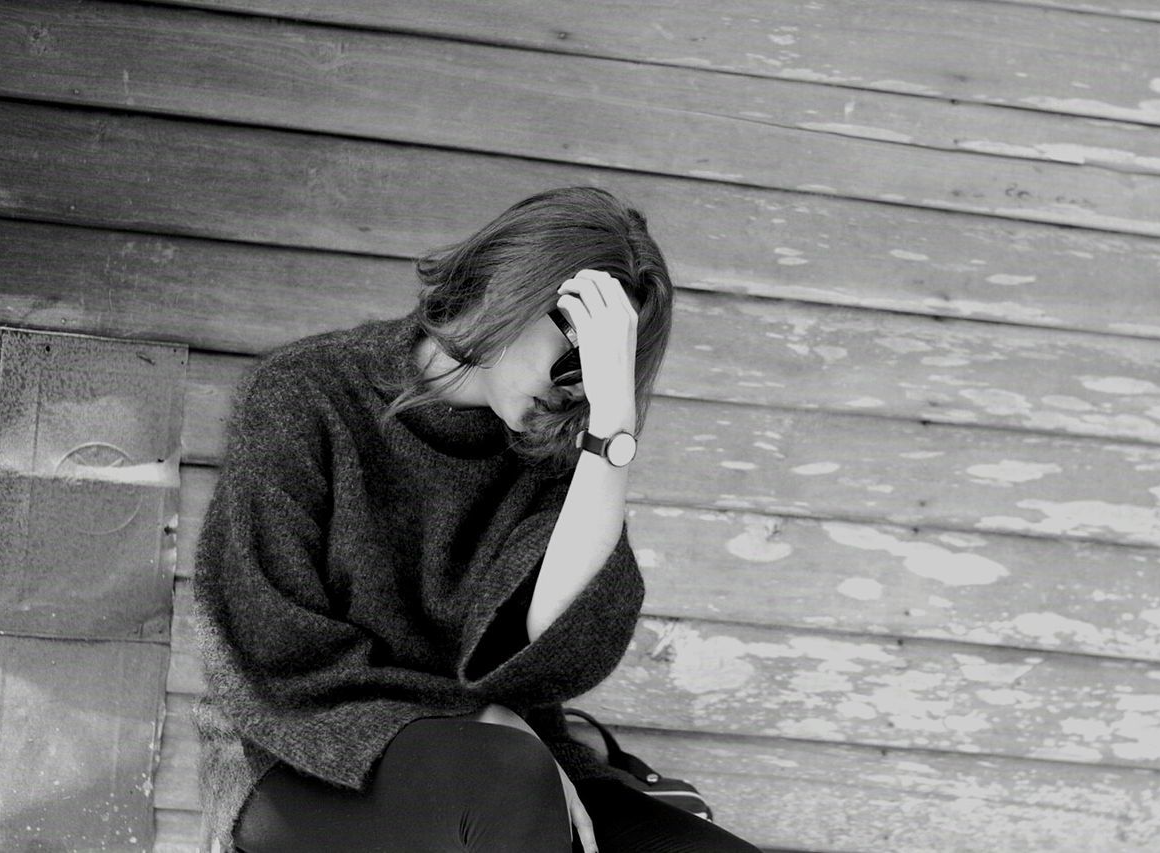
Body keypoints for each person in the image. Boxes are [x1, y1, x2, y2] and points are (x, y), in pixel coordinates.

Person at [189, 186, 763, 852]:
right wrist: (473, 713)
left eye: (607, 366)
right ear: (512, 290)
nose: (577, 385)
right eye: (580, 352)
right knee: (509, 781)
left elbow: (555, 656)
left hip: (500, 760)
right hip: (299, 754)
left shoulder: (551, 458)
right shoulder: (306, 393)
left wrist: (610, 433)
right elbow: (270, 650)